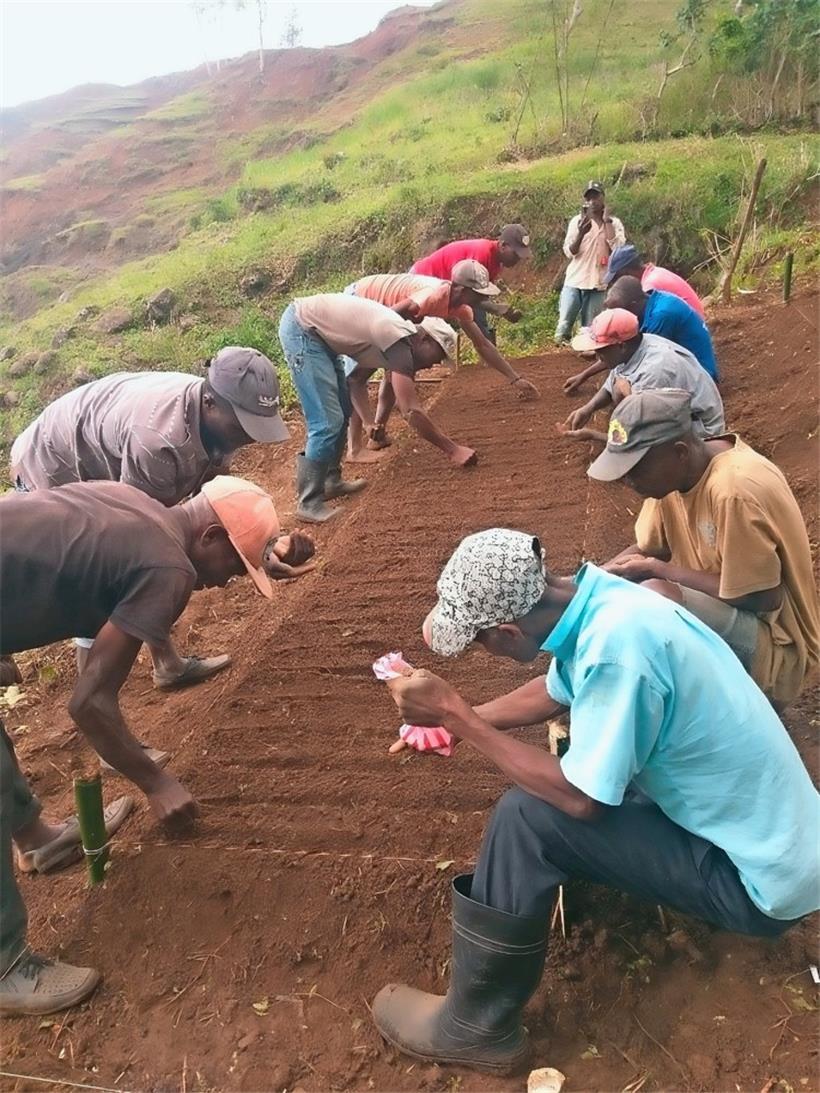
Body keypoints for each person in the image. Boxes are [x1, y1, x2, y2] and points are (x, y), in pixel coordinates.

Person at [372, 527, 820, 1074]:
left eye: (479, 642)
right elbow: (556, 689)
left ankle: (474, 1028)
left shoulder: (617, 654)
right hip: (784, 845)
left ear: (508, 633)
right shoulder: (606, 599)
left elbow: (585, 802)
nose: (481, 652)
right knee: (598, 756)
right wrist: (462, 723)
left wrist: (457, 716)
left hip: (756, 884)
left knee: (526, 818)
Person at [0, 475, 311, 1015]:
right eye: (237, 566)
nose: (229, 582)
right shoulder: (170, 568)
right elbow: (89, 703)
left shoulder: (139, 506)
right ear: (210, 536)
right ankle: (5, 966)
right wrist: (157, 782)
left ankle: (38, 840)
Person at [10, 348, 293, 691]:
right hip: (54, 459)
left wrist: (256, 550)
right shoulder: (157, 442)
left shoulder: (218, 419)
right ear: (210, 403)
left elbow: (214, 497)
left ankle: (165, 665)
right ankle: (94, 698)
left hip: (102, 449)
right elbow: (141, 543)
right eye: (243, 427)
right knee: (99, 578)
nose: (249, 437)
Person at [588, 389, 820, 709]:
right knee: (624, 596)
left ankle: (734, 714)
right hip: (730, 618)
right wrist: (591, 582)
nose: (627, 480)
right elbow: (648, 549)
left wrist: (660, 571)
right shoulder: (675, 477)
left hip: (776, 649)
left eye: (635, 468)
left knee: (656, 597)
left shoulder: (733, 492)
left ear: (680, 452)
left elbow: (763, 598)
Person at [278, 293, 467, 523]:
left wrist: (368, 421)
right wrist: (452, 450)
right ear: (425, 339)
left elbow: (355, 380)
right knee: (327, 421)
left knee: (342, 409)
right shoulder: (398, 340)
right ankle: (308, 502)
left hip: (319, 335)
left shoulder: (392, 339)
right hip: (303, 329)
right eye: (438, 355)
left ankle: (330, 481)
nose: (434, 364)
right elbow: (410, 410)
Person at [346, 260, 539, 460]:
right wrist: (371, 344)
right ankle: (354, 449)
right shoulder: (432, 296)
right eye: (478, 294)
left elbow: (482, 344)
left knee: (394, 365)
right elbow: (387, 317)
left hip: (386, 310)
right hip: (363, 298)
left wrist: (515, 378)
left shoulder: (461, 308)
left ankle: (377, 435)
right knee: (358, 375)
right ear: (461, 289)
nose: (483, 299)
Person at [558, 309, 723, 444]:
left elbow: (642, 437)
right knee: (619, 387)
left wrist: (593, 436)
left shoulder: (655, 371)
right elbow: (612, 381)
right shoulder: (634, 346)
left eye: (601, 349)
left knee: (639, 452)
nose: (596, 354)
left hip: (703, 433)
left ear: (621, 346)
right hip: (679, 416)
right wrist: (588, 408)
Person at [564, 277, 718, 391]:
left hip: (701, 377)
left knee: (626, 382)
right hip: (687, 368)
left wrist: (585, 375)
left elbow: (632, 352)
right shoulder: (649, 302)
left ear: (632, 305)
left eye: (618, 310)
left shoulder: (661, 316)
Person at [410, 224, 532, 341]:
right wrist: (500, 310)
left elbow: (479, 297)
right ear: (503, 245)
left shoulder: (496, 263)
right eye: (515, 254)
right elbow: (472, 297)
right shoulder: (482, 254)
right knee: (417, 334)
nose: (517, 259)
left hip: (440, 289)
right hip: (421, 280)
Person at [554, 181, 626, 345]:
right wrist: (581, 233)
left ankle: (584, 349)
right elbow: (569, 252)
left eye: (596, 197)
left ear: (603, 198)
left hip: (598, 282)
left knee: (590, 328)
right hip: (575, 280)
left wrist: (607, 222)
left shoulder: (614, 223)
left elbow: (617, 250)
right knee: (564, 325)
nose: (593, 202)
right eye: (589, 198)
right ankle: (558, 351)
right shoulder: (577, 222)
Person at [604, 243, 705, 317]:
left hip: (690, 326)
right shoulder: (654, 272)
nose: (616, 283)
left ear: (626, 272)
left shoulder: (650, 286)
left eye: (616, 279)